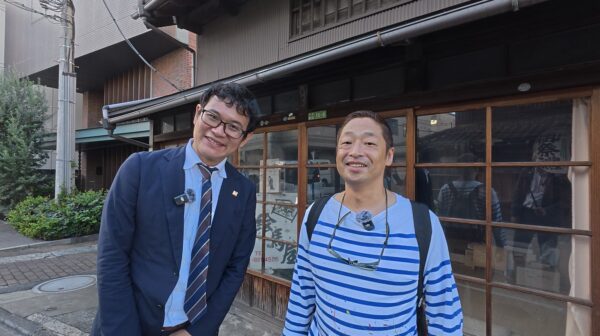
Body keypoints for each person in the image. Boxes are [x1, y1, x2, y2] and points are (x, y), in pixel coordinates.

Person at [92, 83, 259, 336]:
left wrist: (198, 331)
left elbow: (236, 268)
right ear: (197, 113)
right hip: (130, 324)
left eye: (233, 126)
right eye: (212, 116)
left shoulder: (243, 191)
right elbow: (112, 256)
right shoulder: (139, 169)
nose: (218, 131)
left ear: (245, 139)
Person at [283, 111, 463, 335]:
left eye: (369, 143)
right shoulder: (316, 215)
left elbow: (444, 312)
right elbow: (303, 292)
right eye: (346, 142)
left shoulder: (423, 224)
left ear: (388, 156)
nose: (355, 152)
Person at [436, 152, 504, 246]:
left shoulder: (445, 189)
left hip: (450, 241)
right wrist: (501, 245)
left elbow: (438, 218)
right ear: (477, 169)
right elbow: (497, 222)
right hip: (477, 242)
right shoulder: (487, 191)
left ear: (457, 170)